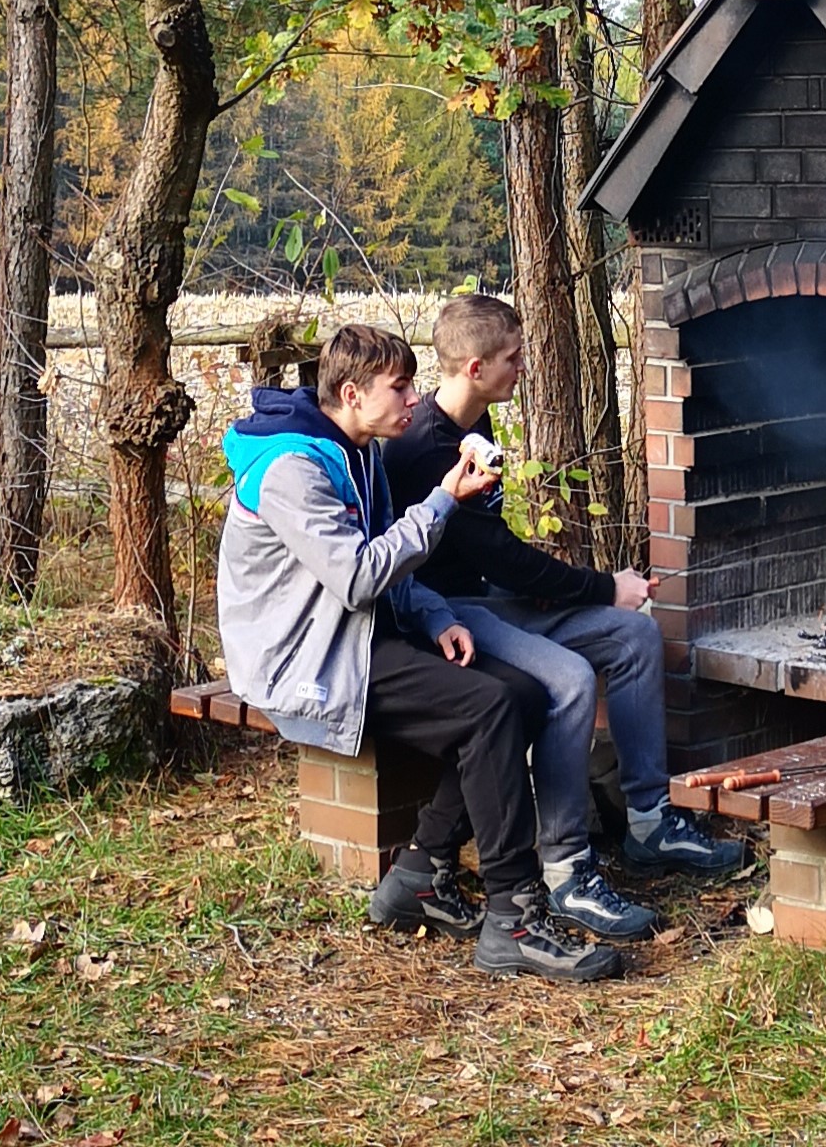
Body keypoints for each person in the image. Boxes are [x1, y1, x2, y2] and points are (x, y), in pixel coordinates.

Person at [217, 323, 622, 982]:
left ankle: (421, 872)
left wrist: (435, 616)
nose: (414, 399)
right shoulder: (294, 469)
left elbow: (384, 568)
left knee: (524, 692)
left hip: (354, 636)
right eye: (399, 387)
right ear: (352, 393)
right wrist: (441, 501)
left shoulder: (356, 450)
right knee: (489, 710)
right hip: (306, 659)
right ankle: (514, 919)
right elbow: (355, 575)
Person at [384, 295, 747, 942]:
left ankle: (648, 819)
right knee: (572, 678)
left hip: (494, 597)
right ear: (473, 367)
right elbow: (491, 552)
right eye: (512, 358)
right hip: (449, 614)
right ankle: (567, 868)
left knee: (635, 635)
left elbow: (500, 553)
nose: (524, 367)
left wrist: (581, 596)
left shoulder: (478, 423)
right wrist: (603, 586)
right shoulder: (421, 448)